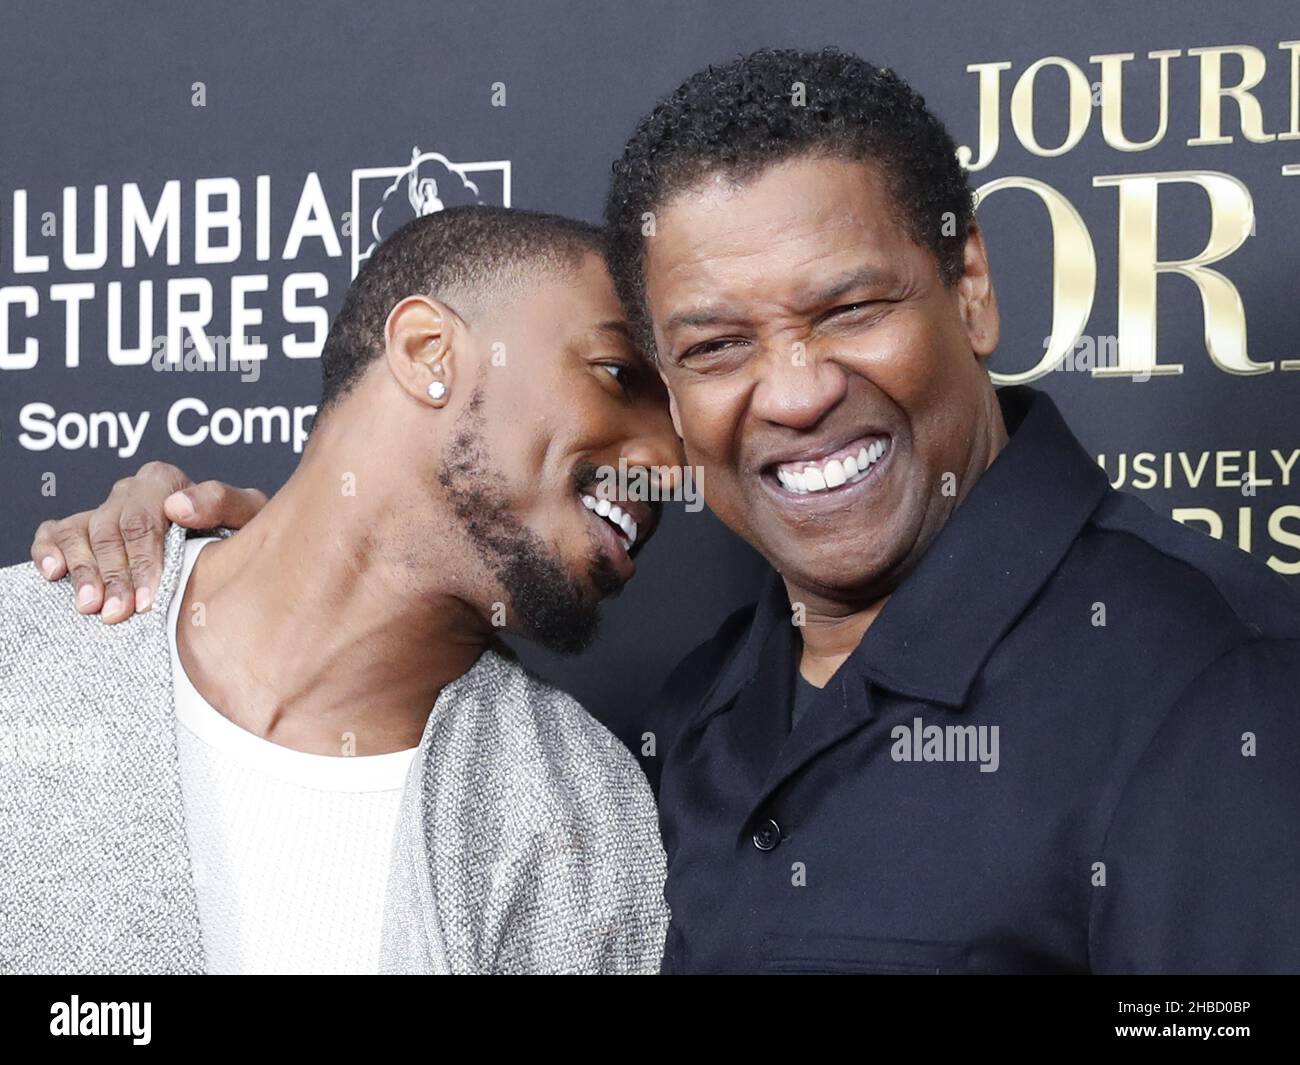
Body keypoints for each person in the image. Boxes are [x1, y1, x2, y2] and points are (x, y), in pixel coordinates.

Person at [32, 48, 1300, 975]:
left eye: (848, 308)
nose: (791, 392)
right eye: (707, 349)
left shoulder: (1212, 682)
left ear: (969, 290)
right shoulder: (685, 722)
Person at [2, 205, 677, 974]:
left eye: (683, 426)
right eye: (619, 375)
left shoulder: (589, 821)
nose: (665, 462)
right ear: (428, 351)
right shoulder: (23, 647)